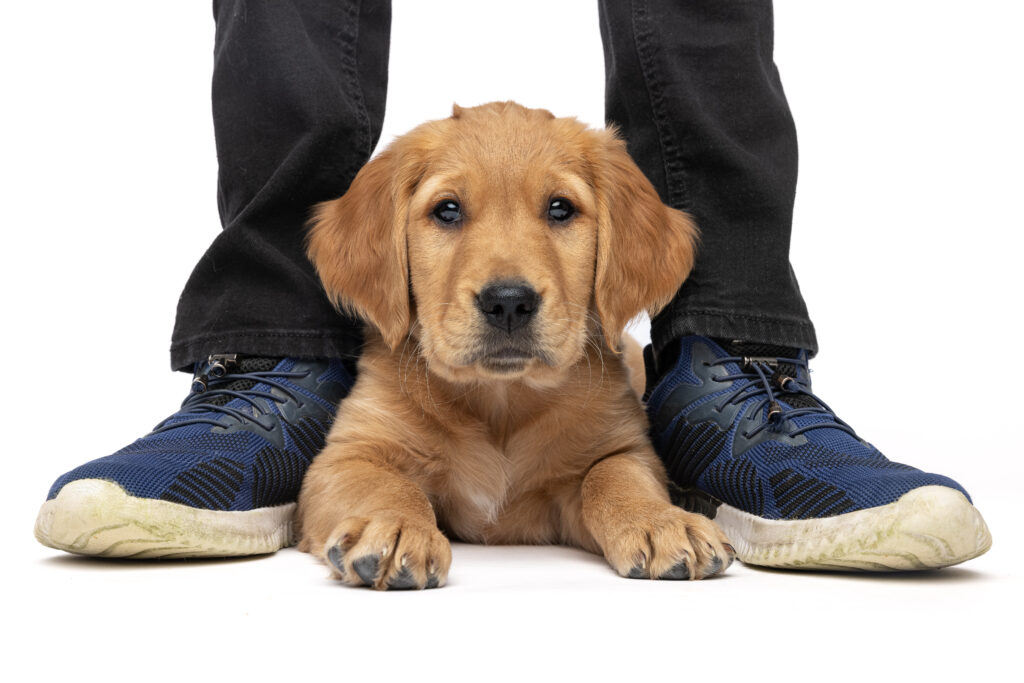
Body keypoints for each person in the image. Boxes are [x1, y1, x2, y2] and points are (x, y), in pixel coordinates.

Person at [34, 0, 990, 568]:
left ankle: (728, 358)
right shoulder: (395, 370)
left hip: (595, 386)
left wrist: (625, 506)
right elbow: (358, 466)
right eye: (447, 212)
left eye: (561, 211)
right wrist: (390, 503)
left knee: (627, 457)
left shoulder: (593, 379)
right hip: (395, 380)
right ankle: (278, 351)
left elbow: (604, 469)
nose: (507, 281)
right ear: (389, 252)